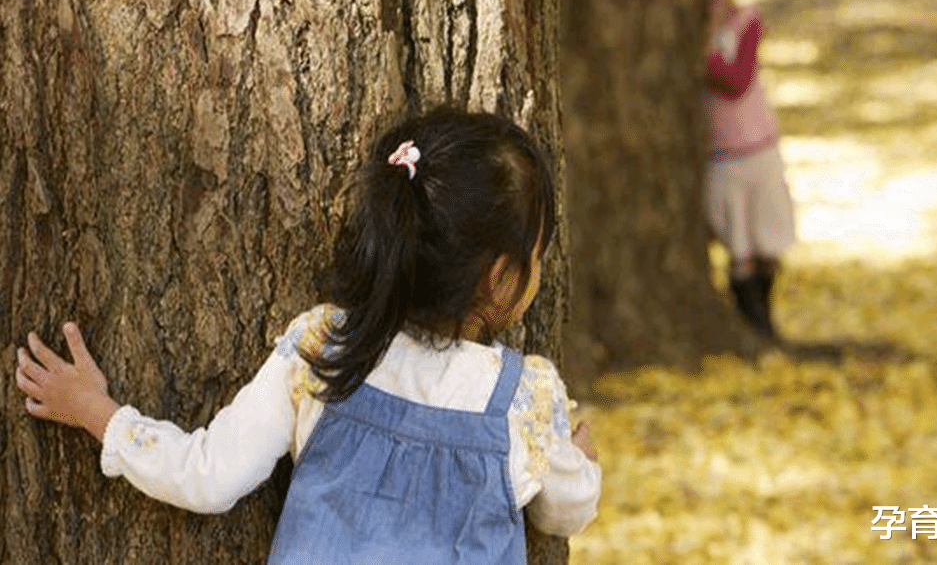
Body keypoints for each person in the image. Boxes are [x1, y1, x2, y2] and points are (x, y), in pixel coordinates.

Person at [14, 107, 601, 564]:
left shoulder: (326, 349)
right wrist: (580, 463)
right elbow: (565, 510)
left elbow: (209, 475)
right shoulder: (524, 400)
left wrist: (99, 412)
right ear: (502, 276)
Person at [704, 0, 796, 340]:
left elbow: (737, 81)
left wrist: (706, 49)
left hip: (758, 150)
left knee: (767, 245)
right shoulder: (689, 27)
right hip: (721, 158)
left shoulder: (746, 23)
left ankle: (768, 319)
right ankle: (753, 326)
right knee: (738, 251)